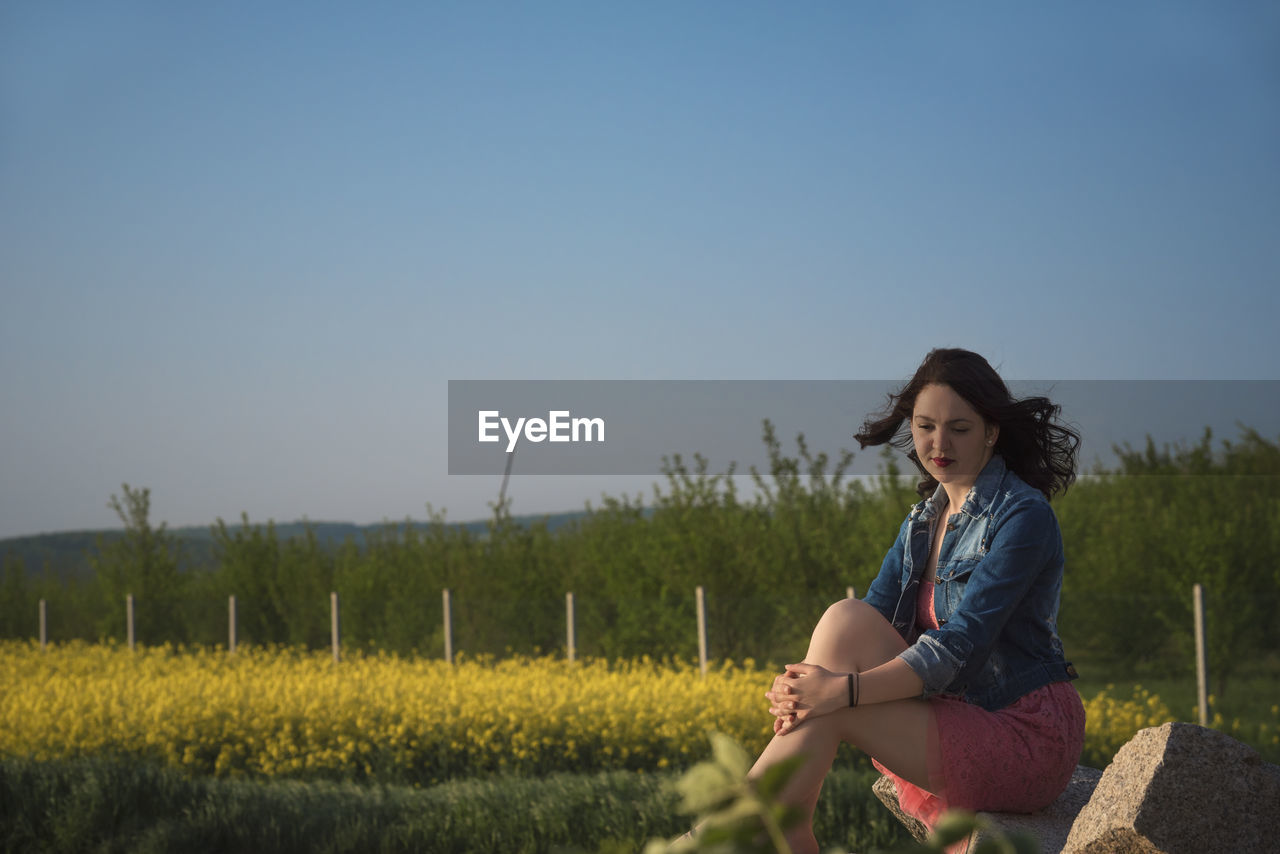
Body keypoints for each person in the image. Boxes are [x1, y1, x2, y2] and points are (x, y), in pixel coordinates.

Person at [751, 348, 1084, 854]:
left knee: (834, 697)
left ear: (992, 431)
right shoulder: (921, 523)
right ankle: (772, 821)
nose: (939, 443)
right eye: (926, 426)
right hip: (950, 712)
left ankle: (758, 823)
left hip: (1020, 731)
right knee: (844, 620)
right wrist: (799, 684)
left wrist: (836, 691)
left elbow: (959, 647)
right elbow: (859, 631)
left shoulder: (1023, 516)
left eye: (960, 428)